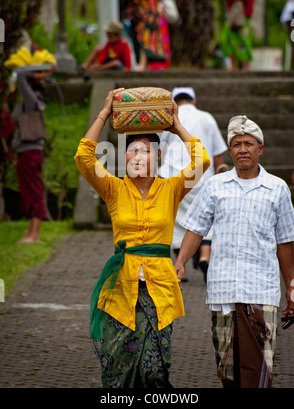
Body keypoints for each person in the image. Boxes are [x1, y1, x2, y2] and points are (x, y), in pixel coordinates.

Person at [74, 88, 210, 388]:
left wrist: (175, 126)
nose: (137, 156)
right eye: (132, 151)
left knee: (155, 371)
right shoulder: (113, 189)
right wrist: (105, 112)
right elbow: (84, 157)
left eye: (145, 151)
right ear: (124, 157)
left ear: (157, 156)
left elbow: (202, 162)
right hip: (121, 286)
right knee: (117, 370)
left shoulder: (171, 188)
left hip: (159, 287)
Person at [175, 115, 294, 388]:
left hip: (261, 293)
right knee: (227, 371)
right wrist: (181, 262)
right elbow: (195, 228)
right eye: (237, 144)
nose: (243, 149)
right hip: (222, 293)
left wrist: (293, 288)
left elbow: (285, 241)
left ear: (260, 149)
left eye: (249, 144)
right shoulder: (214, 186)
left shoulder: (277, 188)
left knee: (259, 373)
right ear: (229, 151)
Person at [159, 87, 228, 282]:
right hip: (202, 177)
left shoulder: (169, 117)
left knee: (175, 221)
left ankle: (181, 267)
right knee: (207, 220)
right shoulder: (206, 118)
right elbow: (216, 153)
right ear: (194, 100)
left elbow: (161, 150)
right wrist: (220, 168)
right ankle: (205, 255)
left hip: (172, 177)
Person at [12, 67, 54, 243]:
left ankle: (34, 234)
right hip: (25, 151)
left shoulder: (31, 100)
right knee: (29, 191)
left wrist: (41, 72)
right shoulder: (28, 101)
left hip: (30, 152)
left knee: (34, 191)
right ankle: (31, 232)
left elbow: (20, 73)